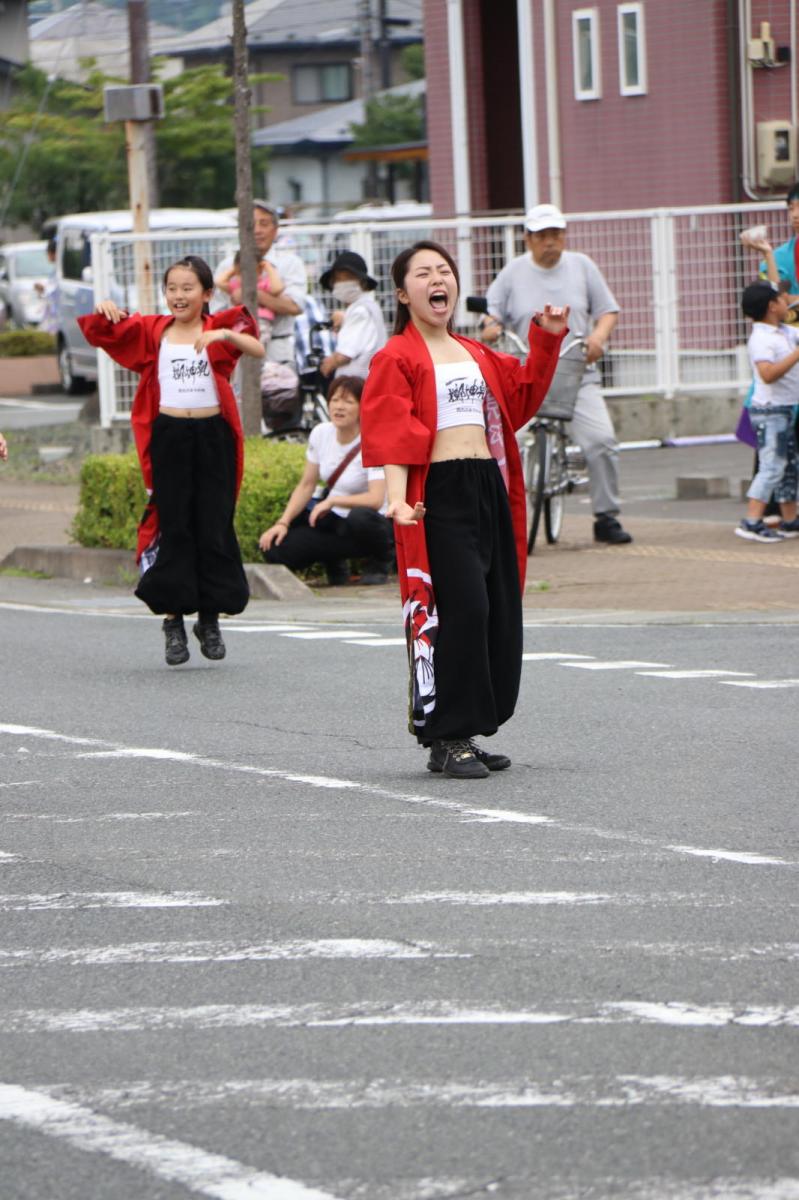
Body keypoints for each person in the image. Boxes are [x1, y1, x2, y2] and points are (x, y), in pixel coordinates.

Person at [360, 240, 567, 780]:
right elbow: (392, 431)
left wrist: (546, 338)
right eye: (423, 273)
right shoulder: (396, 357)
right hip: (438, 494)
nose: (438, 280)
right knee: (462, 610)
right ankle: (447, 734)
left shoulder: (475, 351)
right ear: (403, 294)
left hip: (486, 485)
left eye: (444, 271)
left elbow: (520, 398)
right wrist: (398, 500)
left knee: (495, 609)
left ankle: (462, 732)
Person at [77, 255, 265, 665]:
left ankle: (209, 619)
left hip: (213, 437)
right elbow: (104, 331)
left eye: (188, 288)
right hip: (170, 437)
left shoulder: (218, 327)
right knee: (174, 526)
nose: (178, 296)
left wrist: (222, 336)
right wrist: (105, 309)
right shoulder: (154, 330)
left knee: (214, 526)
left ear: (207, 293)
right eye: (172, 288)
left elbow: (256, 346)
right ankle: (173, 621)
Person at [485, 203, 632, 545]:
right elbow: (491, 313)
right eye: (541, 236)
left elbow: (608, 311)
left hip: (575, 373)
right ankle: (502, 518)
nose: (549, 241)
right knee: (506, 443)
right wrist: (490, 326)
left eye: (555, 234)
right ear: (527, 239)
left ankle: (606, 516)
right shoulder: (512, 272)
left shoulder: (582, 266)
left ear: (564, 236)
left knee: (601, 441)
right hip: (524, 375)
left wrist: (598, 338)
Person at [259, 375, 393, 586]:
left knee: (359, 517)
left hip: (371, 524)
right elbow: (306, 485)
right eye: (335, 400)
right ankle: (334, 561)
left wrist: (332, 501)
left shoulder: (374, 440)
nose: (339, 407)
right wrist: (282, 523)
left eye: (348, 402)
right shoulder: (321, 433)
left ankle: (381, 560)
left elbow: (375, 499)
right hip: (335, 521)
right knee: (275, 549)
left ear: (363, 407)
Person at [736, 281, 799, 542]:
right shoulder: (762, 339)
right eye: (782, 299)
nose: (787, 303)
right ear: (772, 306)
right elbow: (768, 374)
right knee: (772, 466)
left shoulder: (784, 331)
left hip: (786, 409)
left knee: (789, 467)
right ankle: (751, 521)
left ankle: (790, 521)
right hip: (770, 411)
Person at [214, 201, 307, 369]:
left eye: (264, 224)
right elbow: (215, 311)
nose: (257, 230)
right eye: (250, 225)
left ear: (275, 230)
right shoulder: (227, 266)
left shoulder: (290, 263)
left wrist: (253, 294)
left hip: (277, 351)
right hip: (236, 351)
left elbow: (295, 306)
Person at [318, 250, 387, 379]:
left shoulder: (360, 312)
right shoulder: (369, 307)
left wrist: (328, 363)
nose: (342, 283)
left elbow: (344, 355)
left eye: (348, 278)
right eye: (338, 279)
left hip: (356, 383)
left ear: (363, 283)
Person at [216, 250, 284, 341]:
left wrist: (268, 267)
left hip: (261, 320)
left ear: (260, 271)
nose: (244, 277)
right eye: (240, 273)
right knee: (237, 341)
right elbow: (219, 282)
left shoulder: (263, 283)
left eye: (251, 273)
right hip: (240, 321)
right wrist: (234, 269)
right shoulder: (237, 286)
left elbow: (277, 289)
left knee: (258, 341)